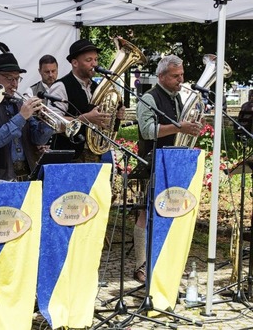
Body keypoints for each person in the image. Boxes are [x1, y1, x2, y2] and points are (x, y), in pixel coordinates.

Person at [134, 54, 202, 282]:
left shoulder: (176, 98)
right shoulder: (149, 98)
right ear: (161, 76)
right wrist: (179, 127)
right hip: (152, 162)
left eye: (181, 75)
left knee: (171, 211)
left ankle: (166, 260)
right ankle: (141, 266)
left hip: (173, 161)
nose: (180, 80)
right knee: (146, 212)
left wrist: (188, 129)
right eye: (175, 76)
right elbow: (147, 131)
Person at [0, 52, 53, 181]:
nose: (14, 84)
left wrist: (47, 122)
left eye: (17, 79)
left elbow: (38, 140)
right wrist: (22, 117)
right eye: (9, 78)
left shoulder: (20, 103)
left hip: (28, 176)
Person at [48, 38, 124, 162]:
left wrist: (115, 116)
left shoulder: (97, 87)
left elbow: (103, 123)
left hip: (94, 155)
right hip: (69, 157)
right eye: (89, 60)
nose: (94, 64)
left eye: (96, 59)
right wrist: (84, 118)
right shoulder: (61, 86)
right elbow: (52, 122)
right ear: (75, 63)